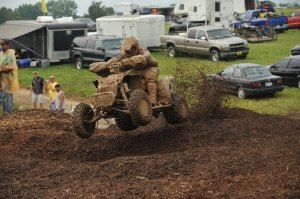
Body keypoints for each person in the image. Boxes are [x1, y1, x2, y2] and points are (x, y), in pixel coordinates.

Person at [90, 36, 170, 105]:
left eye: (131, 49)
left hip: (149, 68)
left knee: (150, 79)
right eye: (127, 50)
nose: (129, 51)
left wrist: (124, 62)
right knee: (126, 80)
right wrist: (105, 65)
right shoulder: (125, 54)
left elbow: (143, 58)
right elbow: (115, 59)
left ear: (135, 46)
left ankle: (152, 99)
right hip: (135, 70)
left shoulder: (143, 51)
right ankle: (128, 98)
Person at [0, 39, 19, 113]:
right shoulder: (1, 54)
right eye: (1, 45)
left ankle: (9, 113)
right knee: (3, 96)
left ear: (7, 45)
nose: (1, 46)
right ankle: (6, 112)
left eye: (3, 45)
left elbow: (9, 67)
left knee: (8, 96)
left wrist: (1, 69)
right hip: (2, 79)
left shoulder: (10, 54)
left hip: (9, 79)